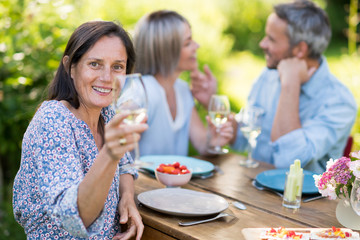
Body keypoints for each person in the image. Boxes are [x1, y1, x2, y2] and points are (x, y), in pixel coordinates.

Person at [12, 21, 147, 239]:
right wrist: (110, 153)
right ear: (70, 67)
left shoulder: (108, 113)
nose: (107, 78)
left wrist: (127, 198)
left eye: (117, 66)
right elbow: (75, 217)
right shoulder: (52, 120)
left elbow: (126, 165)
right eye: (95, 64)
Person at [229, 0, 357, 173]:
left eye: (271, 39)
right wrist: (225, 122)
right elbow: (246, 139)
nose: (262, 44)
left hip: (302, 199)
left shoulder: (340, 102)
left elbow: (289, 159)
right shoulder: (267, 76)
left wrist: (290, 83)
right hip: (251, 187)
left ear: (300, 50)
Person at [133, 10, 233, 156]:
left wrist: (213, 140)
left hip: (175, 179)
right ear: (166, 52)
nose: (196, 46)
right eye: (188, 43)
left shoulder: (182, 89)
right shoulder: (142, 90)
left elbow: (201, 143)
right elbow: (123, 156)